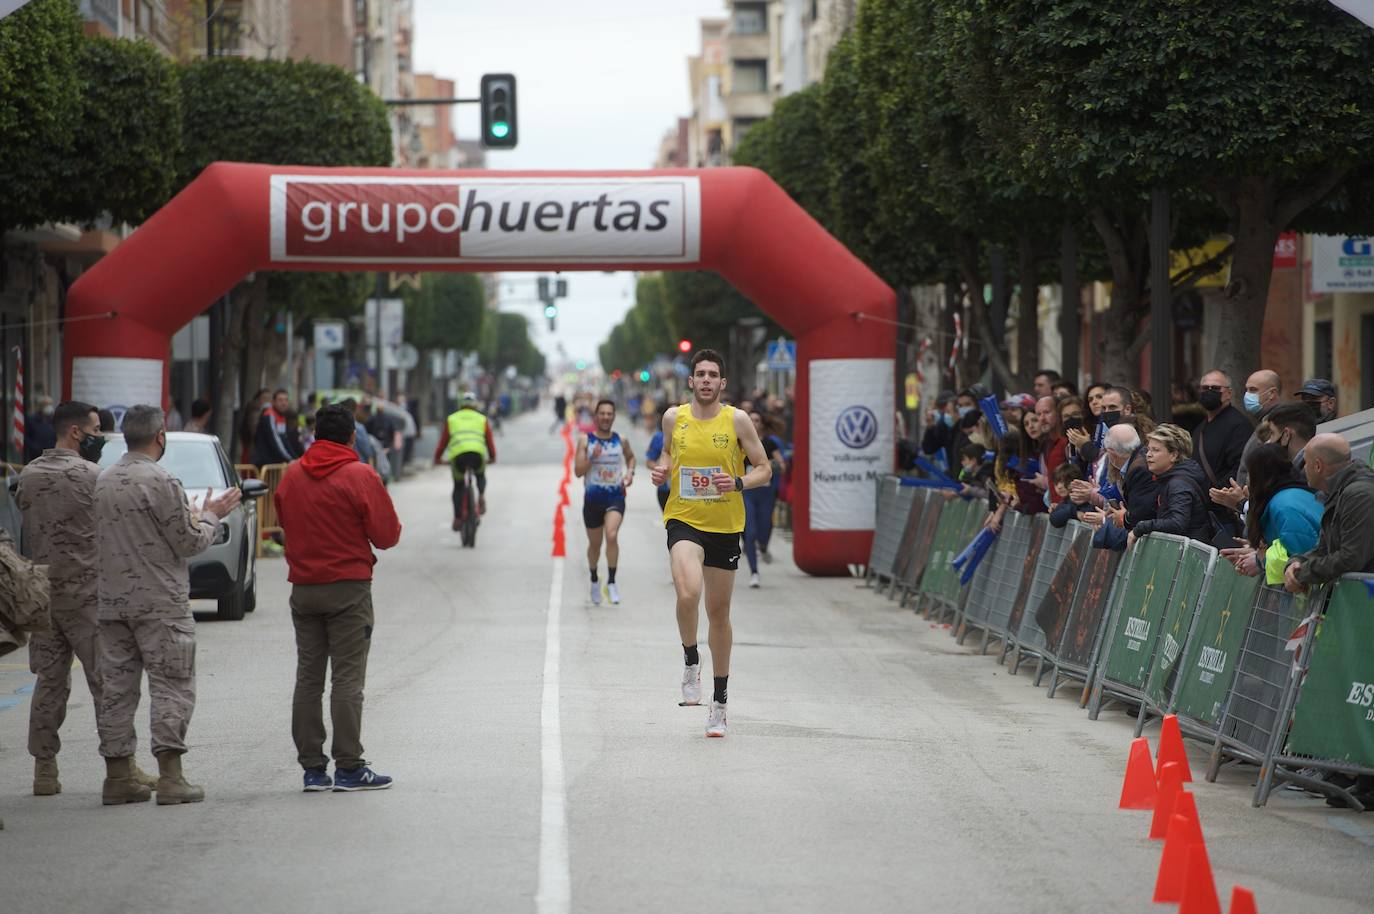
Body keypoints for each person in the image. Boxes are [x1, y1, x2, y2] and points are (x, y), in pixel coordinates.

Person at [95, 405, 241, 805]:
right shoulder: (162, 480)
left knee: (116, 691)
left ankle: (118, 776)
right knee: (172, 686)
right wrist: (210, 516)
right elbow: (188, 542)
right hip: (160, 603)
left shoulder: (104, 480)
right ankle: (171, 778)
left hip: (111, 603)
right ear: (160, 436)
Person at [17, 402, 158, 797]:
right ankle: (122, 766)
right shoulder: (93, 476)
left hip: (42, 595)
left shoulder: (27, 476)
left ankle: (44, 769)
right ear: (76, 432)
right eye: (96, 429)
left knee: (49, 684)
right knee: (109, 683)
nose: (101, 436)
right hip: (87, 595)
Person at [274, 404, 402, 792]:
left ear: (314, 434)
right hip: (348, 588)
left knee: (308, 678)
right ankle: (348, 766)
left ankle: (313, 768)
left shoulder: (291, 475)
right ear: (352, 436)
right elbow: (387, 535)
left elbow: (284, 523)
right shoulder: (360, 475)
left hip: (305, 590)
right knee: (347, 679)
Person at [650, 349, 771, 738]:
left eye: (712, 374)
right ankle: (690, 660)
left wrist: (737, 482)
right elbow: (668, 451)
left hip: (725, 523)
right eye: (699, 373)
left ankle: (719, 705)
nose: (705, 380)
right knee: (688, 592)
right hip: (683, 517)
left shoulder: (736, 420)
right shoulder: (674, 417)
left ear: (722, 383)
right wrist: (663, 467)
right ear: (690, 381)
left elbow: (764, 469)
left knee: (718, 614)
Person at [1283, 433, 1374, 592]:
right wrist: (1296, 563)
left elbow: (1351, 558)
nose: (1303, 468)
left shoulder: (1358, 495)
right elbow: (1324, 549)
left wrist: (1303, 573)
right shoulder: (1338, 492)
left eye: (1306, 463)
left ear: (1318, 466)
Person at [1222, 444, 1322, 581]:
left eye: (1250, 473)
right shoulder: (1286, 498)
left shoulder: (1284, 507)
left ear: (1259, 475)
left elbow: (1303, 557)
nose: (1247, 481)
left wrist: (1261, 561)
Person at [575, 399, 635, 605]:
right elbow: (577, 472)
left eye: (610, 414)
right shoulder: (585, 440)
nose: (606, 417)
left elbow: (631, 458)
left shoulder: (621, 440)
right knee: (595, 545)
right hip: (592, 500)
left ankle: (611, 581)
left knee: (611, 535)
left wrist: (630, 474)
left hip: (615, 497)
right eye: (602, 413)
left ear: (614, 417)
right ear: (596, 416)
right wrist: (593, 457)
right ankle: (594, 579)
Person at [1127, 423, 1213, 547]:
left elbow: (1177, 523)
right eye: (1148, 449)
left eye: (1155, 450)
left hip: (1188, 558)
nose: (1148, 455)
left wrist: (1141, 528)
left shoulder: (1178, 484)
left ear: (1174, 455)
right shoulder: (1170, 479)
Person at [1192, 369, 1251, 538]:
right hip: (1201, 513)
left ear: (1229, 393)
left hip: (1223, 515)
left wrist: (1216, 493)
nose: (1209, 392)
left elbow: (1240, 467)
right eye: (1205, 388)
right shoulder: (1200, 428)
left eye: (1215, 388)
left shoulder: (1239, 425)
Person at [1081, 422, 1158, 551]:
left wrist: (1121, 518)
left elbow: (1141, 514)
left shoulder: (1138, 469)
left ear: (1111, 453)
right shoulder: (1138, 460)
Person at [434, 391, 497, 529]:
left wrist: (437, 459)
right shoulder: (482, 419)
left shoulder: (452, 419)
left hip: (458, 457)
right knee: (480, 474)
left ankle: (457, 518)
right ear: (475, 405)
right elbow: (489, 441)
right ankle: (481, 495)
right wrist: (492, 457)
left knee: (458, 486)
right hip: (477, 455)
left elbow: (443, 442)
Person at [742, 410, 787, 587]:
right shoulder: (740, 442)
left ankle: (763, 546)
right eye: (750, 419)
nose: (753, 422)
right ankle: (754, 572)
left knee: (764, 529)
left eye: (757, 419)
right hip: (747, 494)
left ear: (761, 423)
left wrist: (774, 465)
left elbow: (782, 466)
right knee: (750, 532)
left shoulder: (768, 443)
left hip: (766, 495)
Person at [1259, 403, 1317, 472]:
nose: (1268, 441)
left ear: (1286, 435)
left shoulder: (1303, 475)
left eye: (1272, 433)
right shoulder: (1318, 462)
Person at [1035, 396, 1068, 505]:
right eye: (1038, 414)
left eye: (1046, 412)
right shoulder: (1046, 444)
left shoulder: (1067, 441)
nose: (1042, 418)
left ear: (1058, 413)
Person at [253, 388, 299, 466]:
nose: (283, 403)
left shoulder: (282, 417)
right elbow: (275, 440)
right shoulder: (269, 415)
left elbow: (284, 440)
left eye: (286, 400)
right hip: (265, 463)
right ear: (273, 402)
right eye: (280, 400)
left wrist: (296, 458)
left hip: (274, 463)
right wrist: (289, 459)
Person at [644, 404, 672, 513]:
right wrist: (663, 470)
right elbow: (649, 461)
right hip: (665, 490)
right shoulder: (659, 437)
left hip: (689, 492)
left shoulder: (692, 435)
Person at [238, 388, 269, 464]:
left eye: (268, 399)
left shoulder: (266, 411)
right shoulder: (255, 409)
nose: (267, 401)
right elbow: (254, 429)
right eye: (264, 398)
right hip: (252, 444)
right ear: (258, 399)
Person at [24, 395, 57, 462]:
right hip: (36, 456)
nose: (49, 407)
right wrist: (34, 447)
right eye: (46, 404)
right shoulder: (31, 420)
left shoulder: (54, 420)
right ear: (40, 406)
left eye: (50, 404)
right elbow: (26, 437)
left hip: (51, 455)